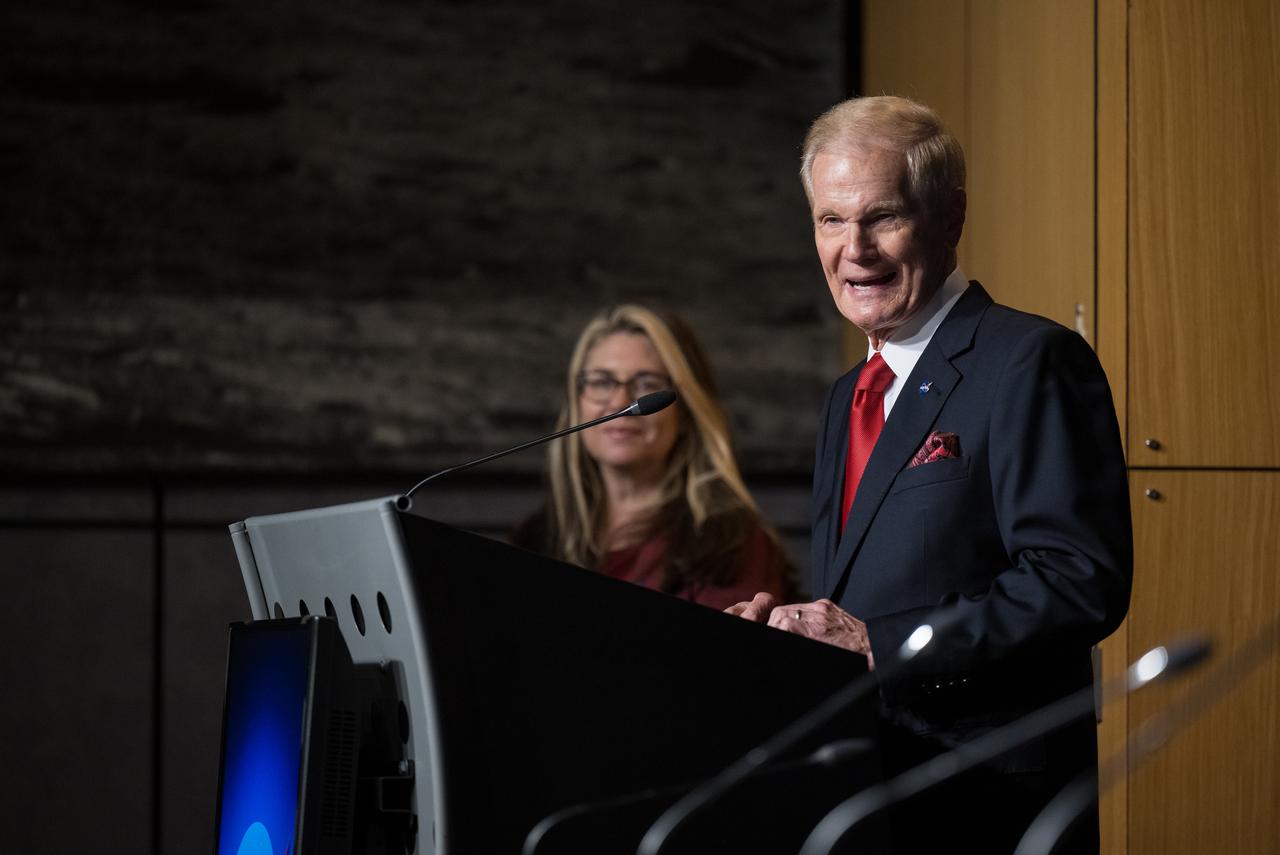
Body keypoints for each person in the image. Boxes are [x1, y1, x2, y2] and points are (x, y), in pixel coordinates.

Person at [729, 96, 1132, 852]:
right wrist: (784, 635)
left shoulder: (1028, 362)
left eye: (882, 217)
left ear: (950, 217)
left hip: (989, 802)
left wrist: (880, 642)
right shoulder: (845, 397)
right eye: (830, 220)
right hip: (867, 793)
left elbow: (1078, 581)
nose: (856, 250)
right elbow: (852, 604)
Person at [512, 304, 797, 611]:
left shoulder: (729, 543)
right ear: (577, 403)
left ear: (686, 412)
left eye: (646, 384)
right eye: (602, 382)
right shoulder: (535, 539)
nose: (620, 402)